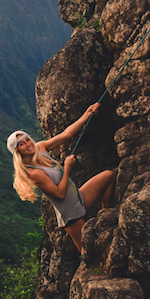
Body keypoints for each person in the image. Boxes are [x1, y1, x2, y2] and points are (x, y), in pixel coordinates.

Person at [7, 103, 115, 252]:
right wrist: (67, 168)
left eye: (27, 139)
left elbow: (66, 135)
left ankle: (107, 217)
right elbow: (60, 194)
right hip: (71, 215)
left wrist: (87, 114)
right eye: (21, 144)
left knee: (108, 176)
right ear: (18, 152)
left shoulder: (40, 148)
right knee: (90, 253)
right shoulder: (34, 173)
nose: (28, 144)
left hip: (79, 198)